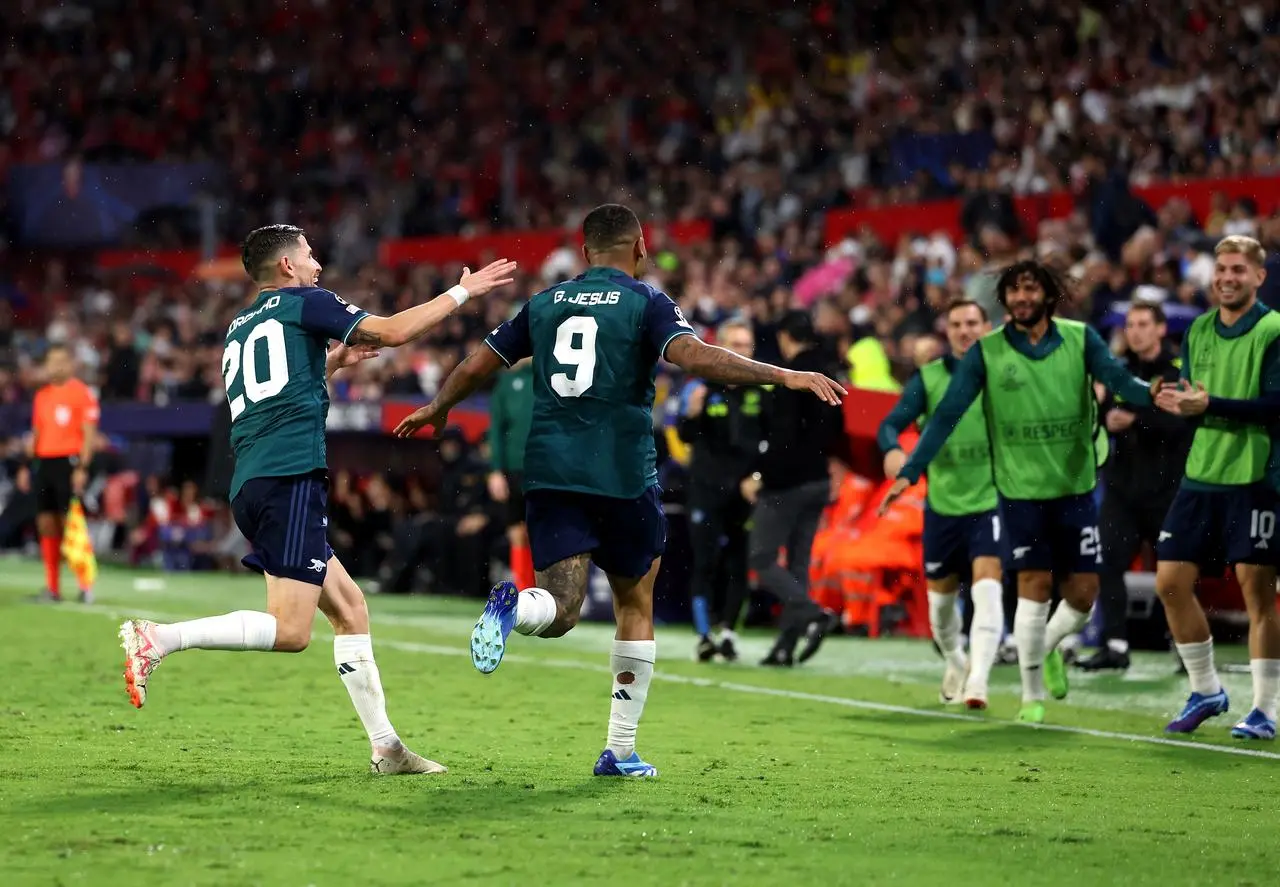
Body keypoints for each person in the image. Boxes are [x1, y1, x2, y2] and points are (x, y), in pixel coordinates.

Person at [394, 204, 844, 777]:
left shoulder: (545, 303)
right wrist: (782, 374)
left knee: (559, 608)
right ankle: (621, 750)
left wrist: (439, 406)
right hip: (623, 475)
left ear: (584, 254)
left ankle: (515, 605)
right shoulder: (646, 302)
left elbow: (481, 361)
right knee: (635, 602)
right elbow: (696, 358)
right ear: (641, 247)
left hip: (552, 471)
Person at [118, 223, 517, 774]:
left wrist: (327, 365)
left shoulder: (240, 326)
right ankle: (159, 637)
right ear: (286, 267)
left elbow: (271, 392)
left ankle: (387, 748)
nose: (317, 264)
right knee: (291, 632)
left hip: (256, 479)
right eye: (309, 254)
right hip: (288, 479)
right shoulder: (304, 303)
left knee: (350, 608)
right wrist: (463, 293)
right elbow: (394, 332)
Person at [880, 260, 1157, 724]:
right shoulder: (978, 357)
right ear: (1004, 301)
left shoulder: (1080, 338)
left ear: (1049, 295)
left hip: (1067, 486)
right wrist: (910, 469)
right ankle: (1025, 694)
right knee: (1018, 590)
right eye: (1014, 291)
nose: (1022, 298)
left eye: (1031, 290)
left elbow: (1121, 382)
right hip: (1002, 494)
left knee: (1082, 594)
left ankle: (1029, 655)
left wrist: (1156, 395)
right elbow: (945, 416)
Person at [1152, 235, 1280, 740]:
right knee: (1170, 583)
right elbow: (1197, 396)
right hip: (1201, 475)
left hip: (1255, 477)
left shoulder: (1273, 330)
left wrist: (1210, 407)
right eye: (1221, 269)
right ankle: (1206, 689)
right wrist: (1178, 404)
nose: (1227, 277)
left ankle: (1266, 709)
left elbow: (1276, 404)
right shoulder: (1200, 329)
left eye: (1238, 270)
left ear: (1258, 277)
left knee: (1258, 594)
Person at [877, 299, 1003, 709]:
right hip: (943, 505)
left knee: (988, 591)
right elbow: (890, 423)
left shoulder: (1004, 374)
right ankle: (956, 660)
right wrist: (893, 450)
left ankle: (979, 682)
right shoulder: (929, 377)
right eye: (956, 324)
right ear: (946, 331)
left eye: (972, 322)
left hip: (992, 498)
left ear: (988, 326)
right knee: (941, 610)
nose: (965, 330)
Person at [1077, 302, 1189, 671]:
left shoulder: (1177, 371)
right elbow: (1100, 415)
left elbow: (1180, 425)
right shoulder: (1118, 372)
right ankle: (1115, 646)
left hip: (1167, 491)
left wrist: (1135, 421)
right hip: (1122, 489)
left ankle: (1184, 648)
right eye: (1130, 325)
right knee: (1107, 563)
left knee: (1176, 573)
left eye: (1143, 324)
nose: (1135, 331)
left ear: (1160, 329)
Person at [747, 311, 848, 667]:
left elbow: (783, 436)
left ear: (786, 338)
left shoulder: (793, 378)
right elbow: (837, 425)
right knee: (798, 564)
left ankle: (814, 614)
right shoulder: (829, 371)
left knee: (761, 557)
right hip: (818, 479)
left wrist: (761, 476)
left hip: (787, 482)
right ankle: (786, 646)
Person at [674, 318, 764, 662]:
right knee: (704, 561)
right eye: (736, 344)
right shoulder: (701, 387)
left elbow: (772, 442)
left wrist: (757, 476)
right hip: (706, 488)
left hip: (744, 492)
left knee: (738, 562)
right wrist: (691, 415)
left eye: (747, 345)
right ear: (722, 347)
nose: (743, 351)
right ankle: (703, 635)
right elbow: (684, 437)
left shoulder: (761, 390)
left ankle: (728, 631)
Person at [29, 343, 99, 603]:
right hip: (44, 463)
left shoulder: (82, 393)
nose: (56, 366)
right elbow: (37, 434)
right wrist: (29, 463)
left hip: (69, 463)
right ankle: (53, 588)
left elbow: (89, 435)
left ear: (71, 364)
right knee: (46, 523)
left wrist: (82, 467)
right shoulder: (42, 396)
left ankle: (85, 585)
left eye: (61, 360)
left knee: (72, 523)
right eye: (51, 361)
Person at [488, 354, 536, 592]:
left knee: (539, 529)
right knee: (516, 531)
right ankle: (524, 588)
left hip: (543, 466)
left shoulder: (548, 377)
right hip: (514, 468)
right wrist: (495, 471)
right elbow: (496, 430)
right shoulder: (505, 385)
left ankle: (543, 590)